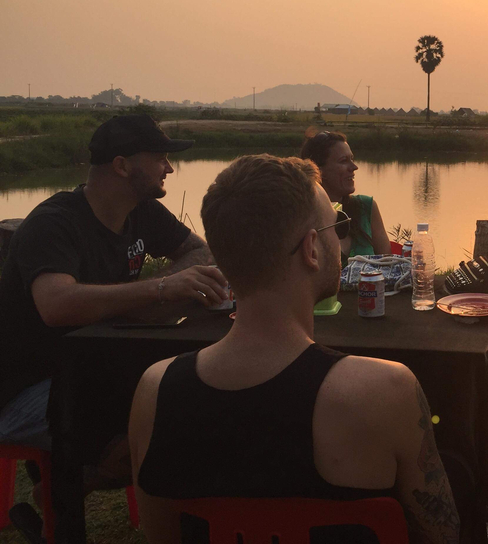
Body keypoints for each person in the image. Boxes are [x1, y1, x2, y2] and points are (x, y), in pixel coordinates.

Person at [128, 154, 459, 544]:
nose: (340, 236)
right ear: (312, 248)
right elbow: (442, 534)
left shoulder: (155, 390)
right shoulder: (387, 390)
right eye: (337, 225)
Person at [0, 114, 227, 452]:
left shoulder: (141, 210)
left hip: (90, 368)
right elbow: (55, 304)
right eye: (160, 159)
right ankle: (68, 491)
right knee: (159, 420)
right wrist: (160, 290)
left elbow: (200, 251)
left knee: (183, 394)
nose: (169, 168)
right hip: (25, 392)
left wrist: (166, 285)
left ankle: (82, 482)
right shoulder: (53, 223)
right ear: (122, 166)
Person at [300, 130, 392, 265]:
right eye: (343, 161)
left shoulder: (366, 207)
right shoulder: (302, 215)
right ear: (318, 170)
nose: (354, 167)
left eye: (352, 159)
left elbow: (387, 266)